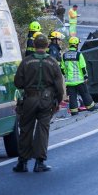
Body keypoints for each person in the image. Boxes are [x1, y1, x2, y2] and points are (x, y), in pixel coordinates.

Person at [13, 34, 64, 173]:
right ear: (47, 46)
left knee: (25, 129)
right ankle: (39, 162)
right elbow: (60, 87)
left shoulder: (26, 62)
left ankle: (22, 162)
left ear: (34, 45)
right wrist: (58, 101)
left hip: (29, 99)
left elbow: (17, 82)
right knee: (43, 130)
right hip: (47, 101)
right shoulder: (53, 62)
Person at [61, 37, 98, 116]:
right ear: (76, 45)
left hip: (69, 82)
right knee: (85, 93)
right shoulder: (79, 55)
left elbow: (62, 68)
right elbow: (83, 67)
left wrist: (66, 76)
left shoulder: (64, 55)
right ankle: (91, 107)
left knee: (72, 97)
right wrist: (85, 77)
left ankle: (74, 111)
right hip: (79, 80)